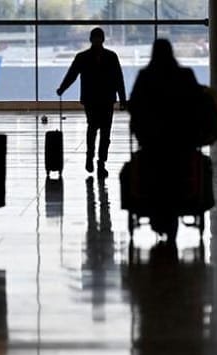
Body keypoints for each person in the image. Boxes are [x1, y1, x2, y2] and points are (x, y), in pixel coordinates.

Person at [128, 39, 201, 240]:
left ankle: (154, 209)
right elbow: (197, 103)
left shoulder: (145, 76)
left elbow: (134, 104)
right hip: (181, 140)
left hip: (152, 140)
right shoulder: (185, 75)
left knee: (148, 168)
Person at [57, 27, 126, 177]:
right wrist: (62, 88)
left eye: (98, 38)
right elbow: (72, 75)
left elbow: (118, 79)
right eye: (96, 38)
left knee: (100, 131)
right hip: (96, 100)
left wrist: (122, 99)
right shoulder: (105, 57)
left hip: (101, 99)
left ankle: (99, 161)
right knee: (96, 129)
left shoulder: (88, 57)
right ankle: (94, 159)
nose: (97, 41)